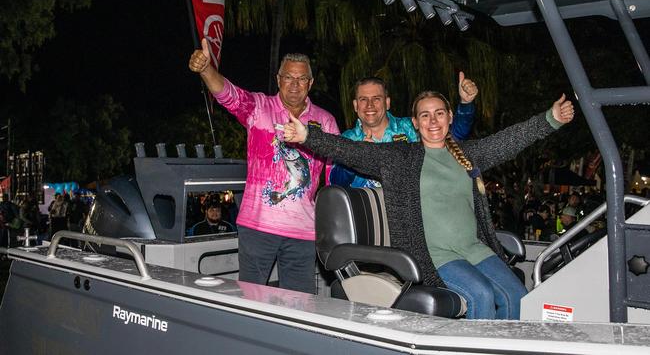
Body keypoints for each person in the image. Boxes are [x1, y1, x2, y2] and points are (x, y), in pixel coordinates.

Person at [283, 90, 575, 319]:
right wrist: (308, 136)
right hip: (433, 254)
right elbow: (352, 151)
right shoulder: (401, 157)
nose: (432, 121)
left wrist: (551, 119)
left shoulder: (467, 153)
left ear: (449, 117)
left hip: (475, 248)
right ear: (415, 123)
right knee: (482, 295)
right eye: (425, 115)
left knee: (517, 294)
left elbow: (508, 141)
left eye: (438, 114)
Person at [188, 38, 340, 294]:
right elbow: (227, 94)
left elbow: (335, 173)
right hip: (258, 227)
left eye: (301, 79)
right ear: (278, 79)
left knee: (300, 304)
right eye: (288, 77)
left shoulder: (324, 121)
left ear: (310, 83)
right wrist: (206, 69)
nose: (294, 84)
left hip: (303, 230)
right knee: (251, 298)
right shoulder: (259, 107)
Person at [329, 74, 477, 188]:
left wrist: (466, 104)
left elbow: (453, 136)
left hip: (410, 217)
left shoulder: (410, 128)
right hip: (368, 219)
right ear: (355, 105)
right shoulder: (346, 139)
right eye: (363, 99)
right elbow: (334, 182)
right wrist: (355, 159)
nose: (370, 105)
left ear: (387, 103)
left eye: (376, 99)